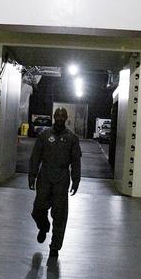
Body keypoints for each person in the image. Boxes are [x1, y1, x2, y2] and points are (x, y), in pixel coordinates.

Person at [28, 107, 82, 258]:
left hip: (62, 178)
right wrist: (32, 175)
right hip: (44, 176)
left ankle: (55, 247)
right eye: (57, 115)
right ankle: (44, 227)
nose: (59, 118)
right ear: (53, 117)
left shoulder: (72, 138)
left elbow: (76, 161)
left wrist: (76, 180)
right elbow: (35, 157)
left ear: (66, 118)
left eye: (62, 116)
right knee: (37, 209)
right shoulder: (44, 135)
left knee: (60, 215)